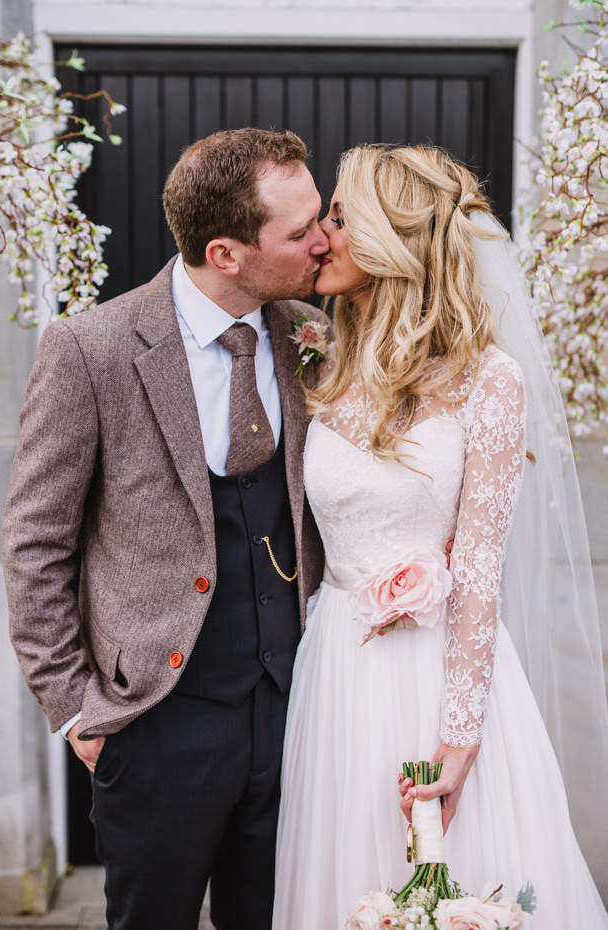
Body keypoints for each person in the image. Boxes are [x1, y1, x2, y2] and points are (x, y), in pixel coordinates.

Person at [271, 144, 608, 929]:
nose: (323, 235)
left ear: (395, 239)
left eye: (342, 217)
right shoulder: (319, 357)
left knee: (449, 887)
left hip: (440, 677)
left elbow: (479, 569)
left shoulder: (489, 380)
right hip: (335, 673)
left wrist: (458, 744)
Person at [2, 127, 330, 930]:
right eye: (301, 231)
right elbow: (34, 542)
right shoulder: (92, 349)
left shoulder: (313, 335)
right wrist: (78, 710)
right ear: (226, 252)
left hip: (296, 711)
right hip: (154, 722)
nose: (327, 242)